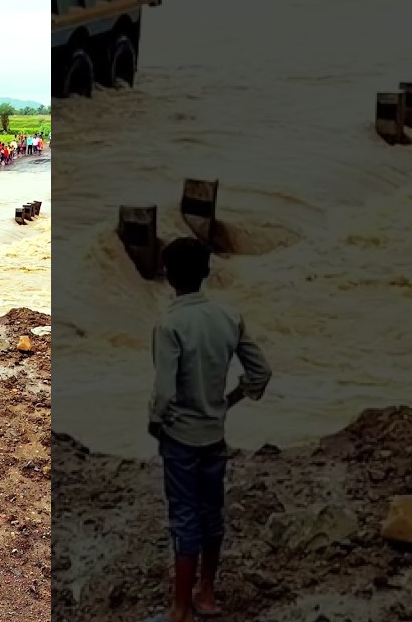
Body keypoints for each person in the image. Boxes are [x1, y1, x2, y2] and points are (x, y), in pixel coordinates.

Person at [145, 238, 273, 622]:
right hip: (214, 433)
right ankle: (207, 594)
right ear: (206, 272)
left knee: (184, 516)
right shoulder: (228, 316)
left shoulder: (169, 324)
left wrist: (156, 421)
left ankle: (180, 610)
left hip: (180, 436)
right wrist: (229, 400)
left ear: (168, 275)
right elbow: (261, 372)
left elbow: (165, 391)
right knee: (211, 512)